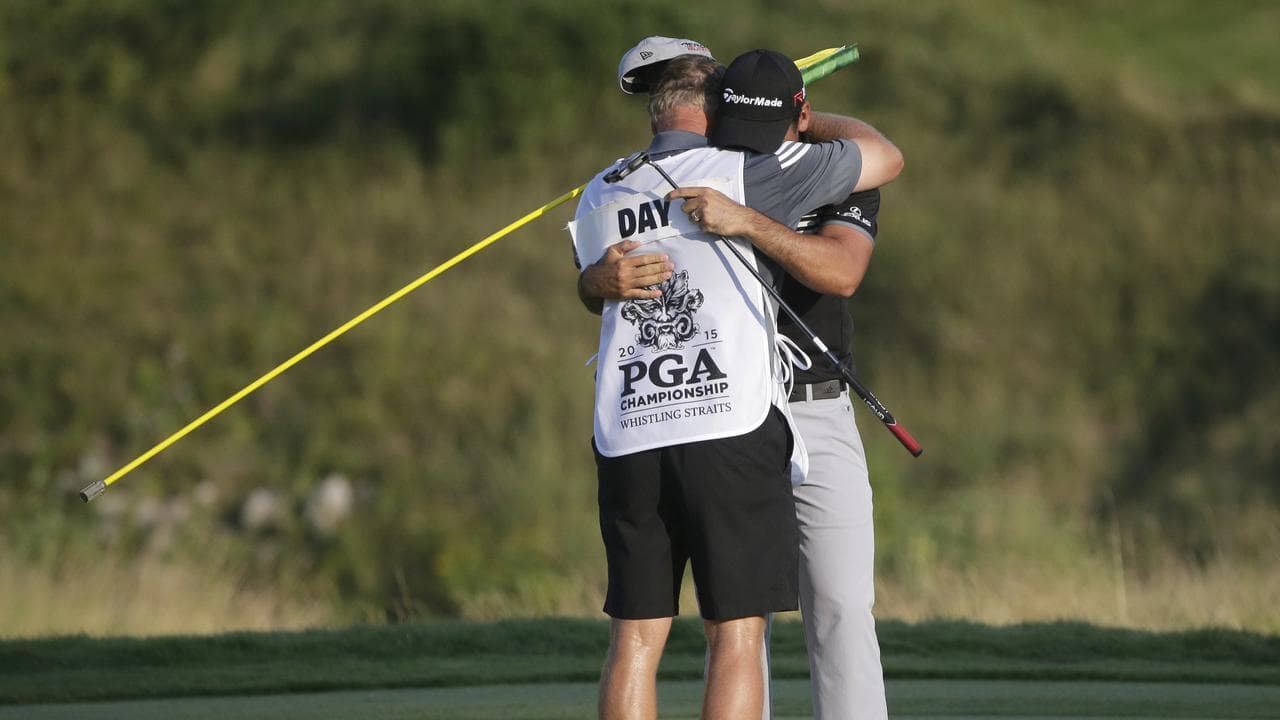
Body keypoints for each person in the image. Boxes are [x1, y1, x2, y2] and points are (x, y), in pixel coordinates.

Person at [580, 37, 901, 720]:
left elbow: (843, 266)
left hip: (789, 404)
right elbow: (602, 281)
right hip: (724, 415)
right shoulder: (725, 168)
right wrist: (592, 279)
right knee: (737, 625)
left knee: (834, 606)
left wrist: (756, 203)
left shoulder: (604, 190)